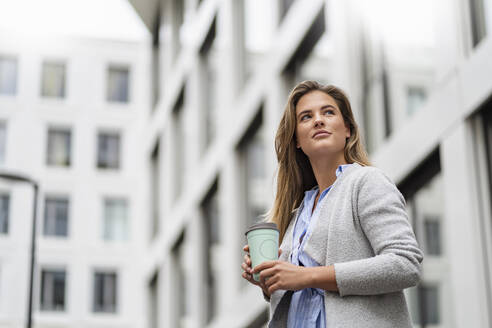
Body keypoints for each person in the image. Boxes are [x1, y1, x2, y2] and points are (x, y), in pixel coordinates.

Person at [241, 81, 423, 327]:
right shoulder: (297, 214)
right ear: (296, 140)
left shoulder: (366, 182)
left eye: (328, 112)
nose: (318, 120)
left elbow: (405, 264)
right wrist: (270, 281)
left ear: (347, 129)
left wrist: (306, 276)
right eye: (306, 117)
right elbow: (302, 293)